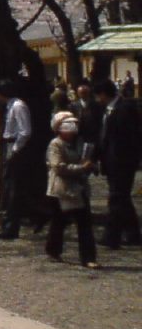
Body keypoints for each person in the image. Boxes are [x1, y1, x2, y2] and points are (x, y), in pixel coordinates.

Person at [44, 111, 98, 268]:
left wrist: (91, 166)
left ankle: (88, 257)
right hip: (61, 189)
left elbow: (86, 159)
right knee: (59, 222)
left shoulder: (80, 142)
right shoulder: (55, 144)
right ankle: (53, 249)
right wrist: (81, 167)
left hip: (79, 188)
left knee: (85, 223)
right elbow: (58, 166)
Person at [94, 80, 141, 249]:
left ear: (104, 94)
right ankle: (133, 233)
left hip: (122, 161)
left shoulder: (124, 109)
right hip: (111, 160)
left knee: (116, 197)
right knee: (122, 198)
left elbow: (130, 137)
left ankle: (111, 236)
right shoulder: (107, 110)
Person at [0, 79, 38, 239]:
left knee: (14, 188)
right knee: (12, 187)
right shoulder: (11, 105)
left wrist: (15, 149)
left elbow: (25, 131)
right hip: (10, 145)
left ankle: (12, 226)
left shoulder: (18, 106)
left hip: (16, 149)